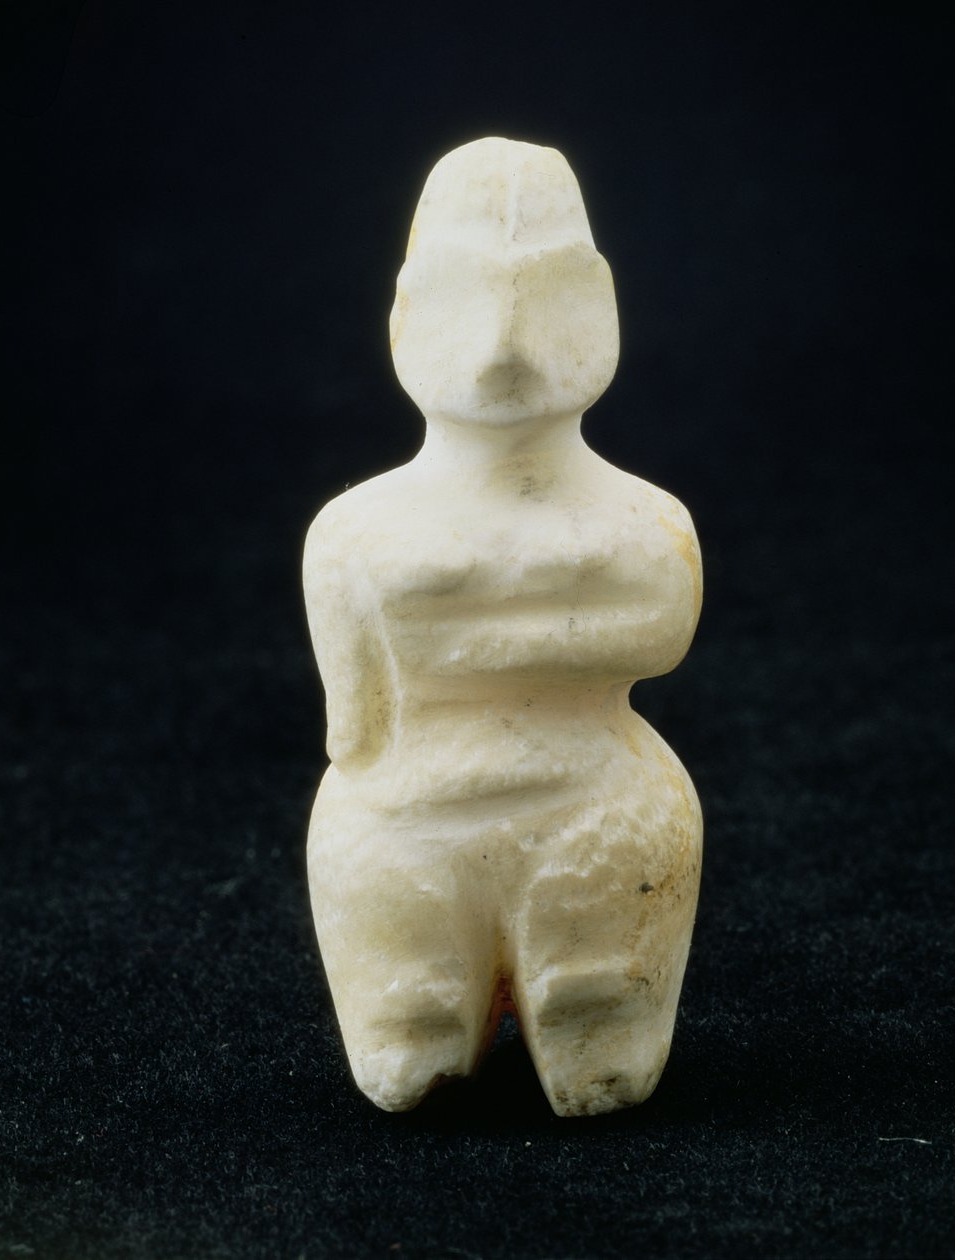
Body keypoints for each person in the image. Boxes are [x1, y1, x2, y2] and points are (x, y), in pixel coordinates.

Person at [304, 138, 703, 1116]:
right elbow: (353, 732)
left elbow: (660, 637)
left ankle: (593, 1012)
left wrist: (448, 643)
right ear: (405, 316)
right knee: (409, 1022)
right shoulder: (352, 534)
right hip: (403, 828)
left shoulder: (646, 521)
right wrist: (545, 630)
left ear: (601, 305)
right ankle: (418, 1011)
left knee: (598, 1004)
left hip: (599, 806)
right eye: (465, 300)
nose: (504, 349)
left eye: (548, 298)